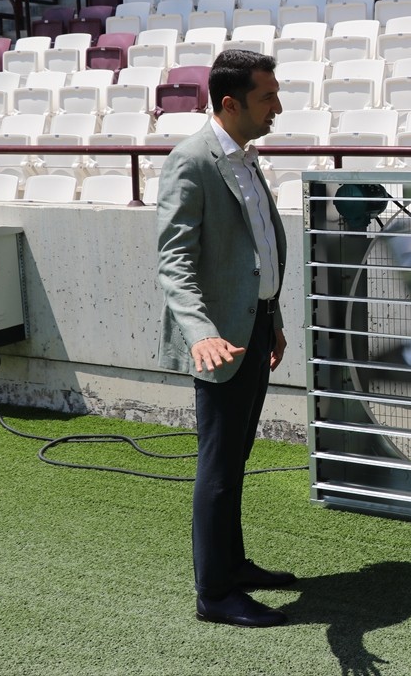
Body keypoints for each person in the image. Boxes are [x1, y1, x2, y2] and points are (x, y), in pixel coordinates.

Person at [156, 49, 294, 628]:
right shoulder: (192, 160)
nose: (278, 108)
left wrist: (274, 316)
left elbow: (257, 247)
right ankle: (214, 593)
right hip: (219, 341)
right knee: (217, 467)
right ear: (231, 102)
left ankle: (234, 566)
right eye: (268, 97)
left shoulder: (244, 155)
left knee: (236, 458)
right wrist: (201, 333)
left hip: (254, 327)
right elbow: (173, 261)